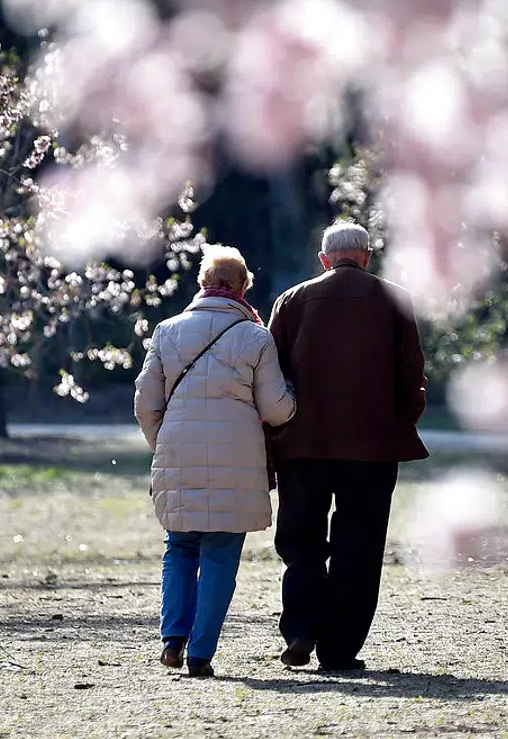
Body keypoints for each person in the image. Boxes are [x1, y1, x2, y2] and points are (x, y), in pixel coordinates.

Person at [267, 221, 428, 672]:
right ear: (367, 256)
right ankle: (339, 651)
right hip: (372, 448)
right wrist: (398, 424)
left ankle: (300, 629)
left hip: (303, 445)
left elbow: (273, 377)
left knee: (302, 544)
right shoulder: (395, 299)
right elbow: (411, 374)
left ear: (324, 259)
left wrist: (275, 435)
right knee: (359, 548)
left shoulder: (292, 300)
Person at [134, 244, 295, 678]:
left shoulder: (166, 331)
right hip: (238, 460)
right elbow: (277, 408)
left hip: (177, 452)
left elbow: (146, 403)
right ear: (243, 287)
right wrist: (295, 401)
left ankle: (173, 639)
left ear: (203, 284)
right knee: (221, 555)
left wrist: (163, 444)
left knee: (180, 548)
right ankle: (201, 653)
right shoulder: (256, 337)